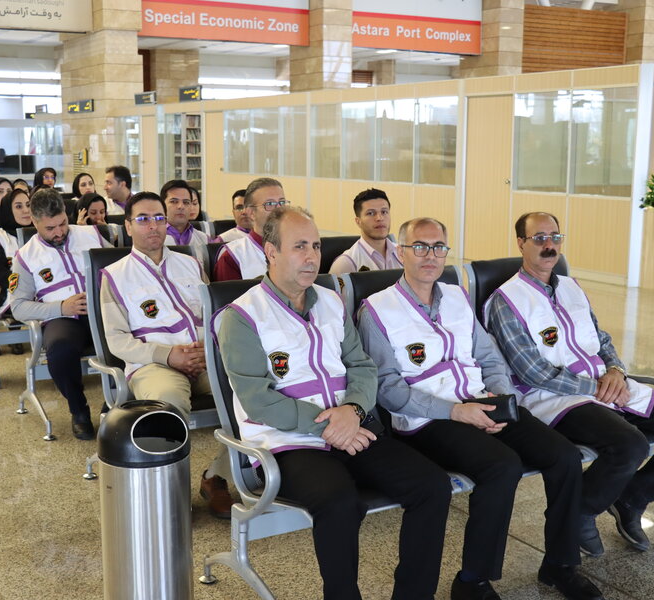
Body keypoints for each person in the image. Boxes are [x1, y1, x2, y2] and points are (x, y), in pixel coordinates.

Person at [358, 217, 603, 600]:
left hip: (482, 403)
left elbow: (490, 358)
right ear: (401, 252)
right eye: (419, 247)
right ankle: (473, 581)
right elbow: (389, 391)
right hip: (428, 420)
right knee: (501, 466)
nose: (430, 256)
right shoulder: (377, 310)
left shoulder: (456, 297)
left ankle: (561, 564)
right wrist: (457, 412)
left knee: (564, 456)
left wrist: (499, 401)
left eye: (438, 247)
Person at [216, 206, 451, 600]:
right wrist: (330, 425)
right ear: (271, 251)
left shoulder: (331, 301)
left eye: (316, 246)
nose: (312, 257)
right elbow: (258, 401)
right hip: (288, 442)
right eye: (299, 246)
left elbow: (362, 367)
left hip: (353, 426)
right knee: (340, 501)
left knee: (431, 486)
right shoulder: (242, 317)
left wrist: (353, 411)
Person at [486, 211, 654, 557]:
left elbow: (601, 339)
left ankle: (633, 496)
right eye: (539, 238)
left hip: (606, 386)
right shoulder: (506, 300)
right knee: (630, 444)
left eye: (555, 237)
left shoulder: (571, 288)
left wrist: (615, 370)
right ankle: (581, 512)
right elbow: (532, 372)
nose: (549, 245)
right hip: (555, 398)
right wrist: (596, 388)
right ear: (521, 243)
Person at [100, 191, 234, 518]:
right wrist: (168, 355)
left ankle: (217, 476)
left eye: (159, 218)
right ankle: (170, 494)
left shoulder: (190, 264)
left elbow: (215, 316)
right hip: (153, 364)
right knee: (168, 406)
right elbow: (117, 341)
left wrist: (208, 346)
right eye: (143, 219)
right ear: (128, 226)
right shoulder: (115, 275)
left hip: (204, 356)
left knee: (247, 391)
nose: (153, 226)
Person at [8, 187, 112, 440]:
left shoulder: (92, 235)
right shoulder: (25, 257)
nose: (59, 232)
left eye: (63, 224)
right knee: (60, 350)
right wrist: (61, 307)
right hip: (64, 318)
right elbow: (18, 307)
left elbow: (121, 266)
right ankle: (79, 410)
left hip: (104, 311)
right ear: (34, 222)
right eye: (50, 228)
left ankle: (114, 404)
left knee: (132, 337)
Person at [212, 177, 288, 281]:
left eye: (282, 203)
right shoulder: (231, 258)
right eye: (269, 204)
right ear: (251, 213)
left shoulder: (297, 247)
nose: (279, 210)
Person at [0, 188, 31, 356]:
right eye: (18, 206)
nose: (26, 210)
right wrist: (26, 287)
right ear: (7, 210)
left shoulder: (39, 232)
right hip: (11, 292)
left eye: (28, 205)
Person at [329, 188, 402, 274]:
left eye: (384, 212)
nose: (379, 218)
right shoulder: (345, 263)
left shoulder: (404, 253)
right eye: (370, 213)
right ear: (358, 221)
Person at [161, 179, 208, 253]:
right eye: (174, 201)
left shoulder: (203, 239)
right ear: (162, 205)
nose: (181, 206)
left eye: (186, 202)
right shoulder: (153, 238)